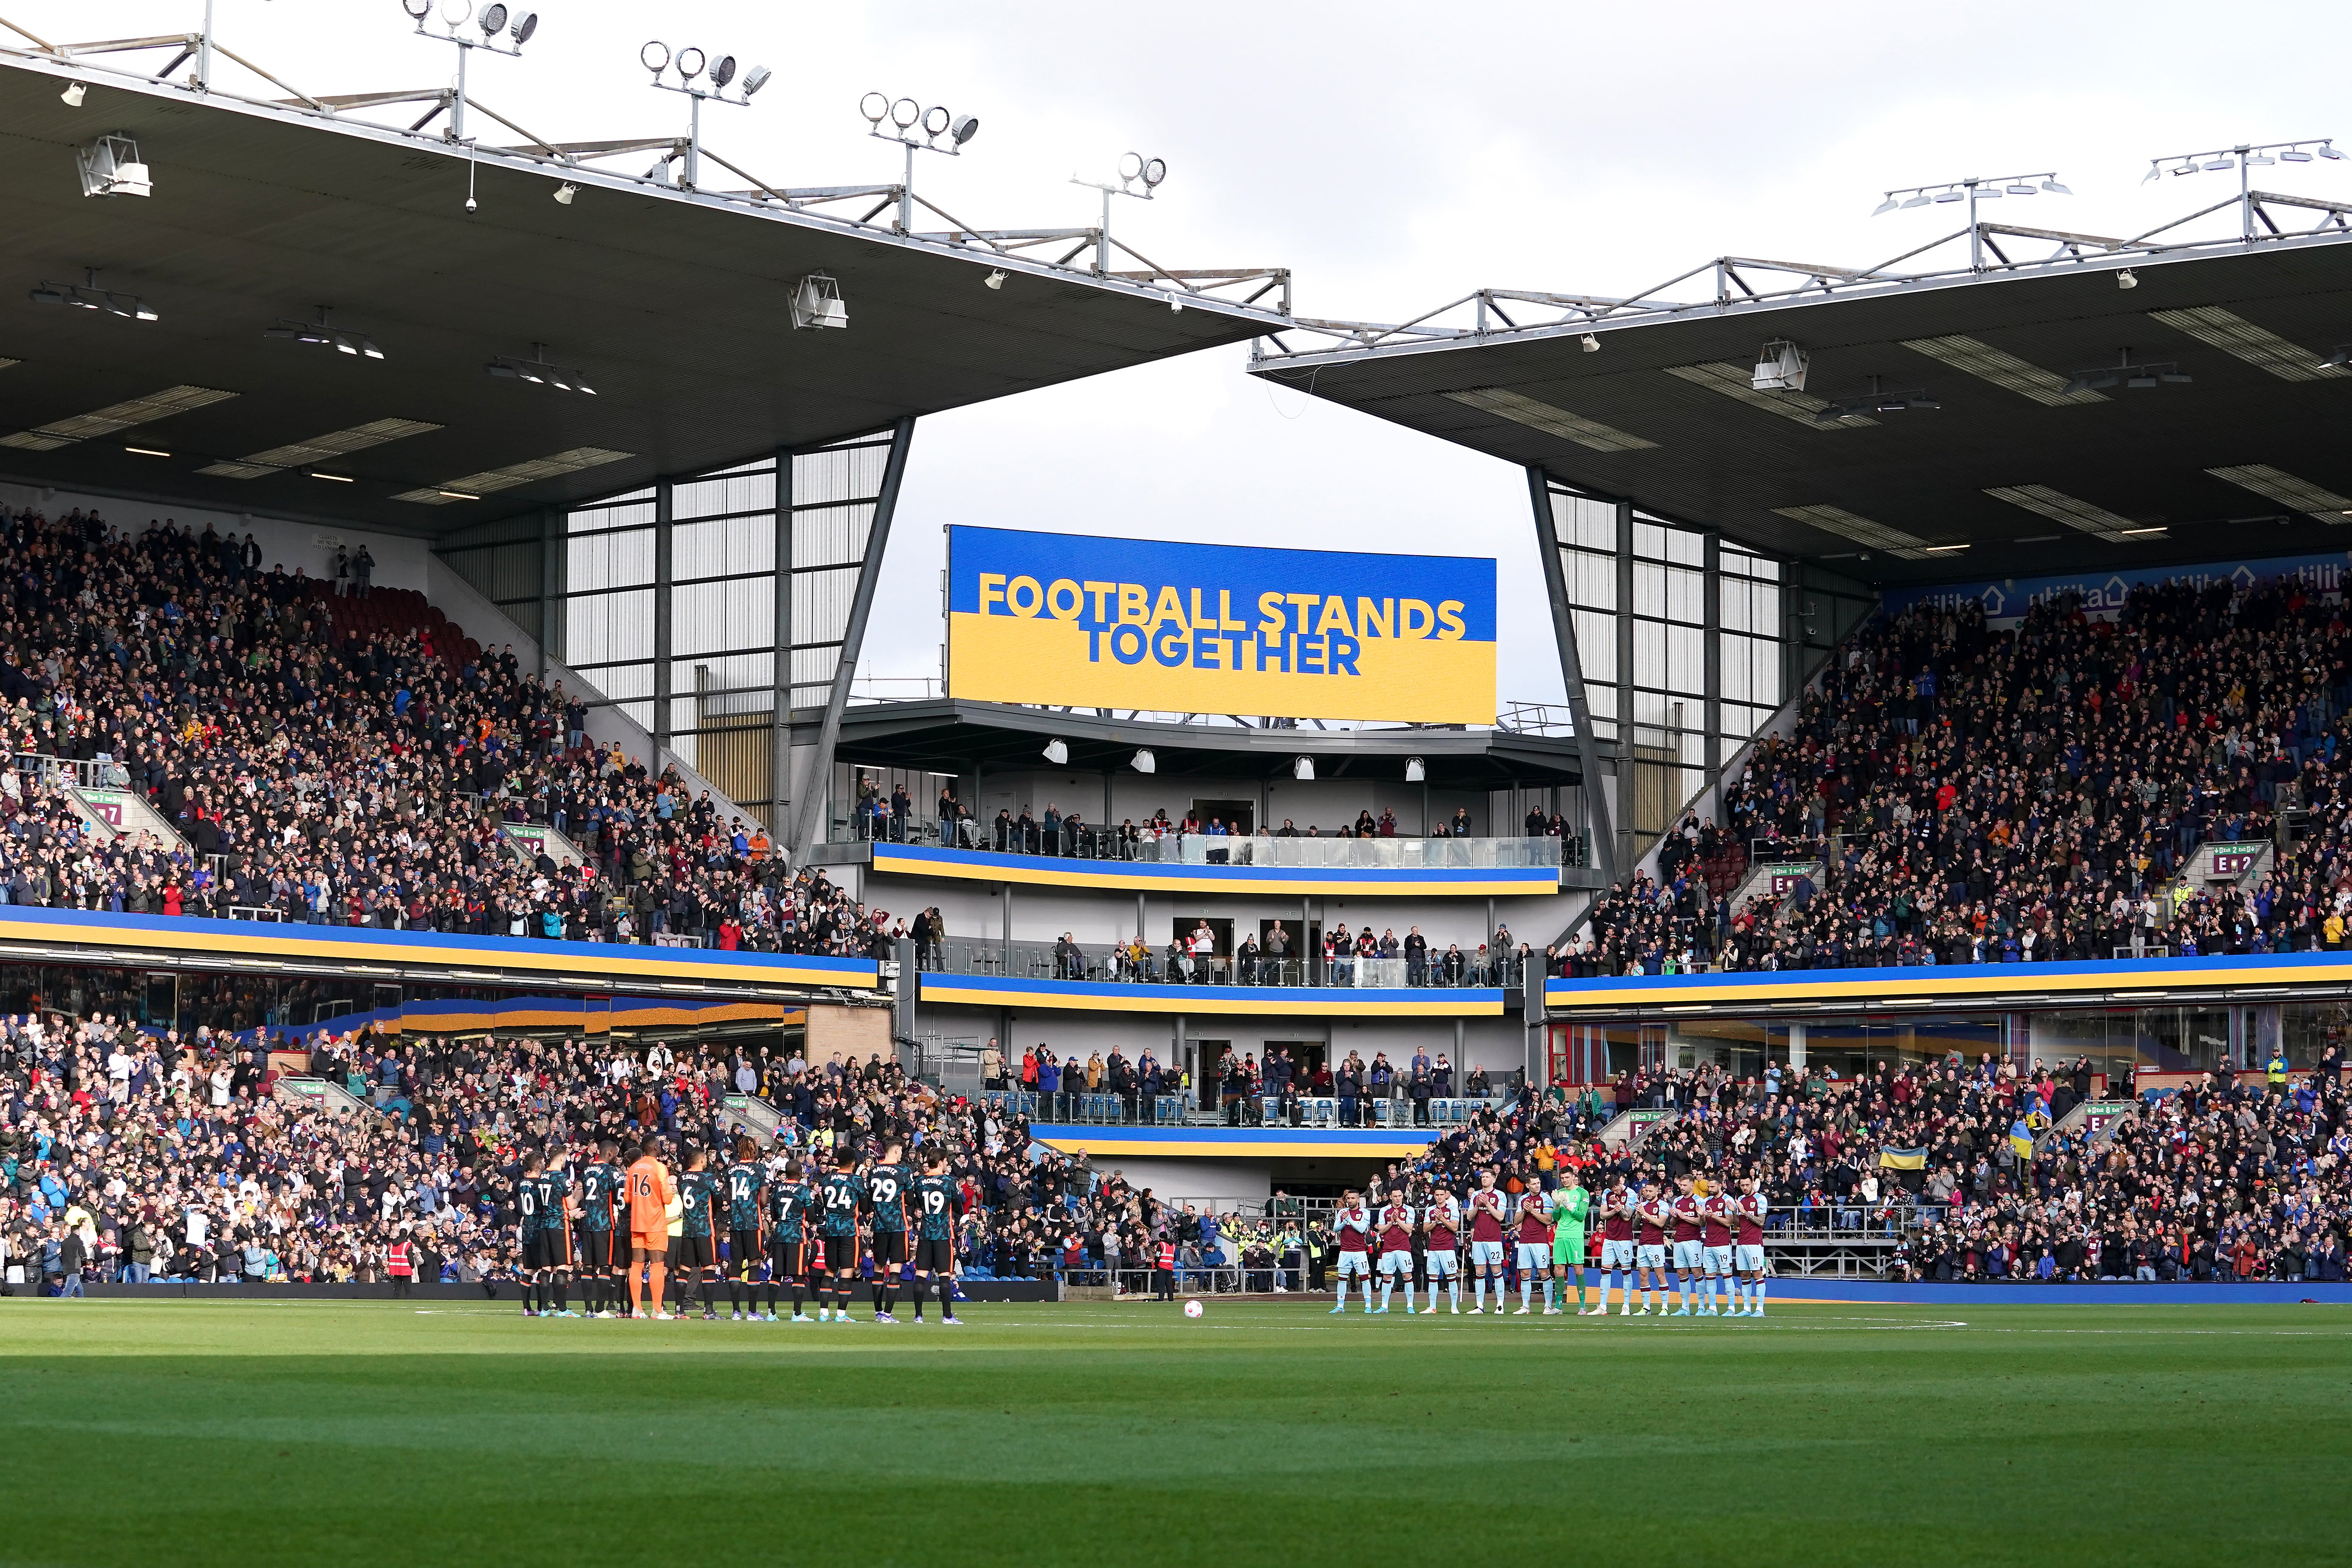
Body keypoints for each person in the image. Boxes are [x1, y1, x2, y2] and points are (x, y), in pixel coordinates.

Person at [624, 1138, 676, 1320]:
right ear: (654, 1147)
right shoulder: (660, 1168)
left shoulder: (633, 1168)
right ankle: (657, 1310)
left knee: (636, 1265)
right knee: (657, 1264)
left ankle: (637, 1309)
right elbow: (668, 1199)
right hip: (655, 1222)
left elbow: (628, 1198)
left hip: (637, 1222)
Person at [911, 1151, 964, 1324]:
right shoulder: (949, 1182)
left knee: (921, 1274)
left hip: (925, 1233)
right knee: (944, 1275)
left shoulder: (920, 1182)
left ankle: (918, 1315)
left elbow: (917, 1203)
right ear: (941, 1162)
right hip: (943, 1234)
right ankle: (947, 1316)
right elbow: (958, 1207)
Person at [814, 1145, 865, 1323]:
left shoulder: (827, 1179)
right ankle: (841, 1315)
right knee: (846, 1272)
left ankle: (823, 1313)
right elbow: (866, 1207)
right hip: (849, 1230)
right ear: (853, 1163)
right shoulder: (856, 1181)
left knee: (829, 1271)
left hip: (831, 1230)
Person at [722, 1138, 767, 1321]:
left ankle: (736, 1311)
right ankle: (753, 1312)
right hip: (753, 1224)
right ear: (753, 1150)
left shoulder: (730, 1170)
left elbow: (726, 1194)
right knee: (754, 1263)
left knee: (736, 1265)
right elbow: (764, 1201)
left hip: (735, 1223)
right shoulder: (759, 1169)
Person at [676, 1147, 724, 1320]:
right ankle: (709, 1311)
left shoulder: (681, 1178)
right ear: (702, 1161)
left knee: (684, 1269)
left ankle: (679, 1311)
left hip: (688, 1229)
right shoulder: (708, 1178)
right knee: (709, 1267)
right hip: (704, 1229)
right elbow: (718, 1201)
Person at [867, 1142, 913, 1322]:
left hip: (878, 1226)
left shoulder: (873, 1171)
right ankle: (887, 1313)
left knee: (878, 1269)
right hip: (898, 1227)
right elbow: (909, 1199)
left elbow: (871, 1197)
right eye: (901, 1150)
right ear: (895, 1150)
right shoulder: (904, 1171)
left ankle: (879, 1312)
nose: (902, 1153)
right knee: (895, 1270)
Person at [765, 1159, 815, 1322]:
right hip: (796, 1235)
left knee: (776, 1274)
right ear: (800, 1173)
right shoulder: (803, 1191)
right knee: (798, 1275)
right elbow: (812, 1216)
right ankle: (797, 1313)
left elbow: (773, 1214)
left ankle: (771, 1313)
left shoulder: (777, 1189)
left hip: (780, 1235)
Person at [1550, 1170, 1594, 1315]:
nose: (1565, 1180)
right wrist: (1556, 1206)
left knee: (1578, 1270)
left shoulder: (1583, 1193)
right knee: (1558, 1270)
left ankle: (1582, 1306)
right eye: (1562, 1178)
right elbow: (1556, 1218)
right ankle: (1559, 1307)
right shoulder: (1560, 1192)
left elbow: (1581, 1216)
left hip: (1575, 1236)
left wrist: (1568, 1205)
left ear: (1574, 1177)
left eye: (1567, 1177)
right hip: (1561, 1235)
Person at [1467, 1169, 1510, 1315]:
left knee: (1497, 1271)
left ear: (1493, 1179)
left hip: (1494, 1239)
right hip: (1478, 1238)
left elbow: (1500, 1217)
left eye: (1487, 1177)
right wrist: (1478, 1205)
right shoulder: (1476, 1195)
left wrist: (1488, 1205)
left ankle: (1500, 1305)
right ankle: (1480, 1306)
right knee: (1480, 1272)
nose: (1484, 1179)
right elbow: (1469, 1216)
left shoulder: (1500, 1195)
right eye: (1483, 1177)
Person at [1329, 1190, 1373, 1314]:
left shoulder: (1364, 1212)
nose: (1350, 1201)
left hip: (1359, 1251)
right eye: (1348, 1198)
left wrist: (1349, 1219)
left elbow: (1361, 1229)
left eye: (1353, 1198)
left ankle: (1368, 1306)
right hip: (1345, 1251)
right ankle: (1340, 1306)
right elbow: (1336, 1228)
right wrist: (1344, 1220)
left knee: (1364, 1278)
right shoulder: (1342, 1212)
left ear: (1358, 1200)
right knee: (1342, 1279)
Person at [1514, 1179, 1554, 1315]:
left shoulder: (1546, 1198)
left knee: (1544, 1272)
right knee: (1525, 1273)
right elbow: (1516, 1221)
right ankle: (1526, 1307)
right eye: (1534, 1184)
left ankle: (1548, 1306)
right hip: (1525, 1240)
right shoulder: (1523, 1199)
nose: (1537, 1186)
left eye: (1539, 1183)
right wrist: (1525, 1211)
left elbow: (1548, 1220)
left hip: (1540, 1241)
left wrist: (1533, 1211)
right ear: (1528, 1185)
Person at [1421, 1182, 1463, 1314]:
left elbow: (1455, 1228)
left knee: (1451, 1276)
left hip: (1448, 1247)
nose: (1439, 1197)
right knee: (1432, 1277)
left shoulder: (1452, 1209)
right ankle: (1432, 1307)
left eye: (1441, 1195)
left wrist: (1442, 1219)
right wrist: (1435, 1222)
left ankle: (1454, 1307)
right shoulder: (1430, 1210)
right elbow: (1425, 1229)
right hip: (1433, 1247)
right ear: (1434, 1195)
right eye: (1437, 1195)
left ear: (1446, 1195)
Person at [1598, 1176, 1636, 1316]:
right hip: (1609, 1237)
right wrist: (1615, 1209)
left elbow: (1627, 1217)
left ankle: (1626, 1306)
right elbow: (1603, 1215)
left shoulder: (1631, 1194)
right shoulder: (1607, 1193)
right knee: (1605, 1271)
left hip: (1624, 1239)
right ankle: (1603, 1306)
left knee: (1626, 1272)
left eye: (1617, 1189)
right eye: (1613, 1190)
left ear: (1621, 1183)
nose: (1616, 1192)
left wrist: (1618, 1204)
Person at [1733, 1175, 1770, 1318]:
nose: (1745, 1188)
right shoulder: (1741, 1200)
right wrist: (1733, 1211)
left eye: (1747, 1185)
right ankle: (1747, 1308)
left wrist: (1744, 1212)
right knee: (1744, 1275)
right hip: (1742, 1241)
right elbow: (1739, 1223)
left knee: (1757, 1274)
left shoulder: (1761, 1199)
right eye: (1742, 1185)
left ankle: (1760, 1309)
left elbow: (1761, 1222)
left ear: (1752, 1184)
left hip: (1754, 1242)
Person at [1634, 1180, 1671, 1316]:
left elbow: (1661, 1223)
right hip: (1643, 1244)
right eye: (1646, 1191)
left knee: (1660, 1275)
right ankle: (1646, 1308)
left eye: (1651, 1191)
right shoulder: (1642, 1205)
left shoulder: (1662, 1205)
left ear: (1657, 1191)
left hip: (1656, 1244)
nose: (1648, 1193)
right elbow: (1635, 1226)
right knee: (1643, 1276)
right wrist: (1638, 1216)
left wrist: (1645, 1214)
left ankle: (1665, 1308)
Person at [1375, 1191, 1416, 1314]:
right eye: (1395, 1196)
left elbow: (1409, 1229)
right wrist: (1392, 1222)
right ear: (1391, 1197)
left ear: (1402, 1196)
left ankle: (1410, 1306)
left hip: (1403, 1248)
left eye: (1400, 1196)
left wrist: (1397, 1219)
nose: (1398, 1199)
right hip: (1388, 1248)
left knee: (1407, 1276)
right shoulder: (1384, 1210)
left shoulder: (1409, 1209)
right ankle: (1384, 1306)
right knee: (1387, 1276)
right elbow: (1381, 1230)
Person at [1668, 1174, 1704, 1317]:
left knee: (1697, 1273)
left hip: (1693, 1240)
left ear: (1691, 1185)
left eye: (1684, 1185)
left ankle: (1701, 1307)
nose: (1682, 1188)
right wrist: (1674, 1216)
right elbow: (1672, 1224)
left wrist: (1684, 1217)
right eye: (1680, 1185)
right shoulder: (1677, 1201)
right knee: (1681, 1273)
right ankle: (1685, 1307)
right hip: (1679, 1240)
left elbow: (1702, 1223)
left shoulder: (1698, 1200)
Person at [1699, 1179, 1735, 1317]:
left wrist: (1714, 1215)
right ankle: (1713, 1308)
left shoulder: (1727, 1200)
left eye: (1713, 1186)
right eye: (1709, 1187)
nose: (1710, 1189)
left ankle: (1731, 1308)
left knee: (1727, 1275)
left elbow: (1729, 1222)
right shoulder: (1706, 1201)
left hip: (1723, 1243)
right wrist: (1702, 1215)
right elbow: (1703, 1224)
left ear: (1720, 1186)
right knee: (1709, 1276)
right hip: (1708, 1243)